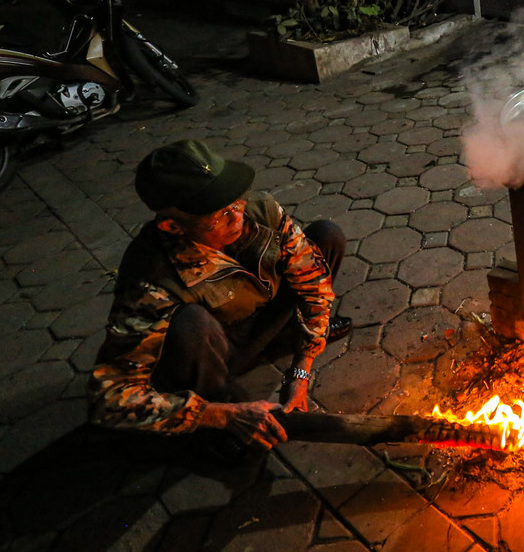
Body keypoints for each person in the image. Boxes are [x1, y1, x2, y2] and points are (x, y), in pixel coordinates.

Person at [89, 139, 351, 452]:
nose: (237, 217)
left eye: (235, 203)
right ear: (173, 225)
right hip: (214, 355)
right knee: (191, 324)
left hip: (262, 323)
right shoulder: (151, 280)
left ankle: (291, 337)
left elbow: (312, 281)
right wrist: (221, 415)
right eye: (219, 217)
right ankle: (220, 425)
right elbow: (110, 398)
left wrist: (301, 369)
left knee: (325, 236)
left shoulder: (258, 210)